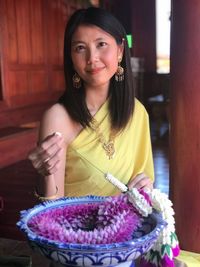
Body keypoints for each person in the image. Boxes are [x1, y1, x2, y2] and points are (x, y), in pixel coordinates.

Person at [28, 7, 154, 202]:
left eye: (101, 44)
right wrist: (46, 174)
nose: (92, 58)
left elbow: (143, 188)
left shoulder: (136, 112)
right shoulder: (58, 118)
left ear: (120, 50)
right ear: (71, 57)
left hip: (125, 227)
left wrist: (145, 189)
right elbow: (52, 210)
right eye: (80, 48)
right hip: (74, 229)